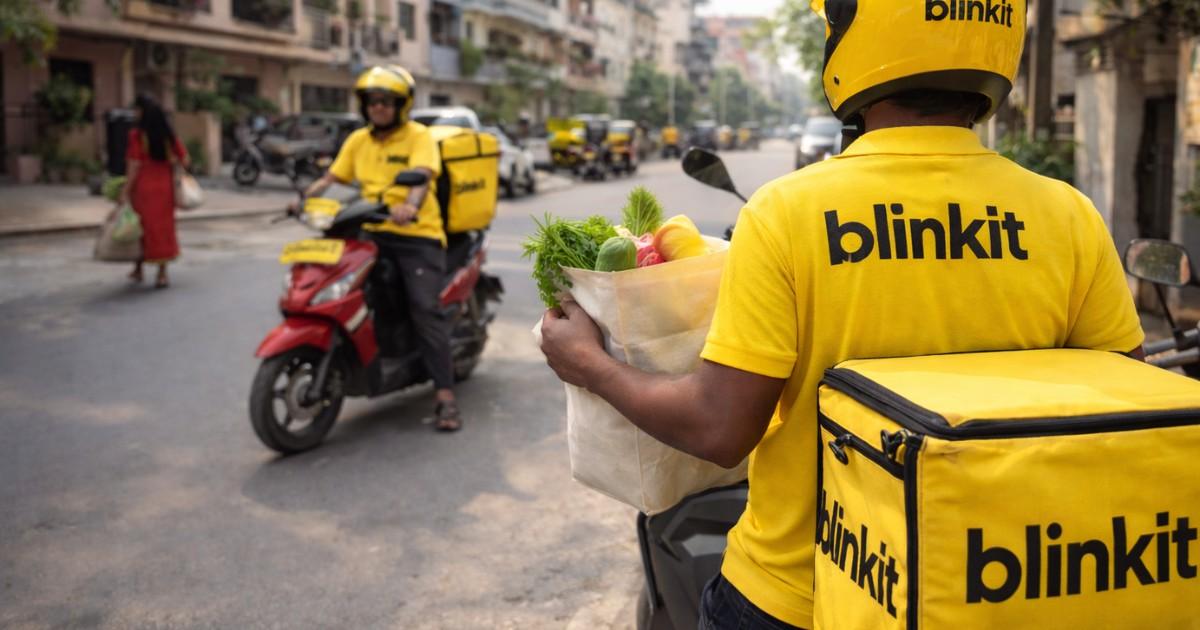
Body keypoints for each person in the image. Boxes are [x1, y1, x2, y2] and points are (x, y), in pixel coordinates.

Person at [537, 0, 1146, 627]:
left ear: (852, 39)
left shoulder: (789, 213)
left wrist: (590, 365)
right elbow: (1126, 414)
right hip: (992, 588)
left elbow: (718, 431)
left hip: (800, 594)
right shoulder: (1068, 216)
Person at [299, 65, 464, 433]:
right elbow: (331, 177)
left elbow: (422, 176)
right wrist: (304, 199)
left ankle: (445, 396)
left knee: (424, 308)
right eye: (373, 101)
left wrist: (411, 205)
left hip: (416, 233)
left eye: (386, 102)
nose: (379, 108)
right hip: (369, 230)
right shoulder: (358, 140)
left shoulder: (418, 136)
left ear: (401, 105)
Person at [119, 94, 189, 289]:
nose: (135, 113)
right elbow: (185, 159)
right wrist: (172, 163)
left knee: (141, 229)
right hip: (165, 189)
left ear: (143, 112)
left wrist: (125, 191)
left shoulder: (136, 135)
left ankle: (138, 268)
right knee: (162, 230)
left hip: (143, 189)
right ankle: (162, 274)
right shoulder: (169, 136)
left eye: (137, 110)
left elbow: (133, 165)